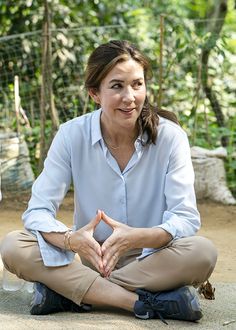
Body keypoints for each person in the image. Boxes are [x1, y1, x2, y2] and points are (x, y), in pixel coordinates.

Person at [0, 40, 217, 323]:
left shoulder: (171, 138)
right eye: (117, 86)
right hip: (94, 258)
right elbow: (38, 212)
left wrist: (137, 237)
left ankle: (70, 292)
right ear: (94, 93)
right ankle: (142, 302)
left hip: (154, 259)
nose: (130, 97)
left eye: (137, 84)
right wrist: (71, 240)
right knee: (14, 246)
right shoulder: (71, 135)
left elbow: (185, 218)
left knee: (203, 253)